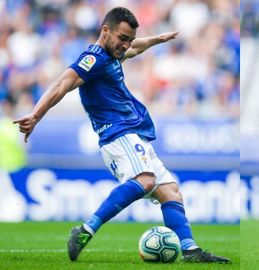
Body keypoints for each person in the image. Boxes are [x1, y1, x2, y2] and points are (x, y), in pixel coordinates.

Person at [13, 7, 230, 263]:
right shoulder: (93, 59)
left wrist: (157, 39)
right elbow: (63, 83)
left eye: (129, 39)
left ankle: (191, 251)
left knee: (170, 192)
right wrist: (36, 115)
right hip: (118, 134)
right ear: (105, 31)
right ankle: (85, 231)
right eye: (122, 37)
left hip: (132, 133)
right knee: (146, 180)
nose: (126, 44)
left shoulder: (114, 53)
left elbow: (136, 47)